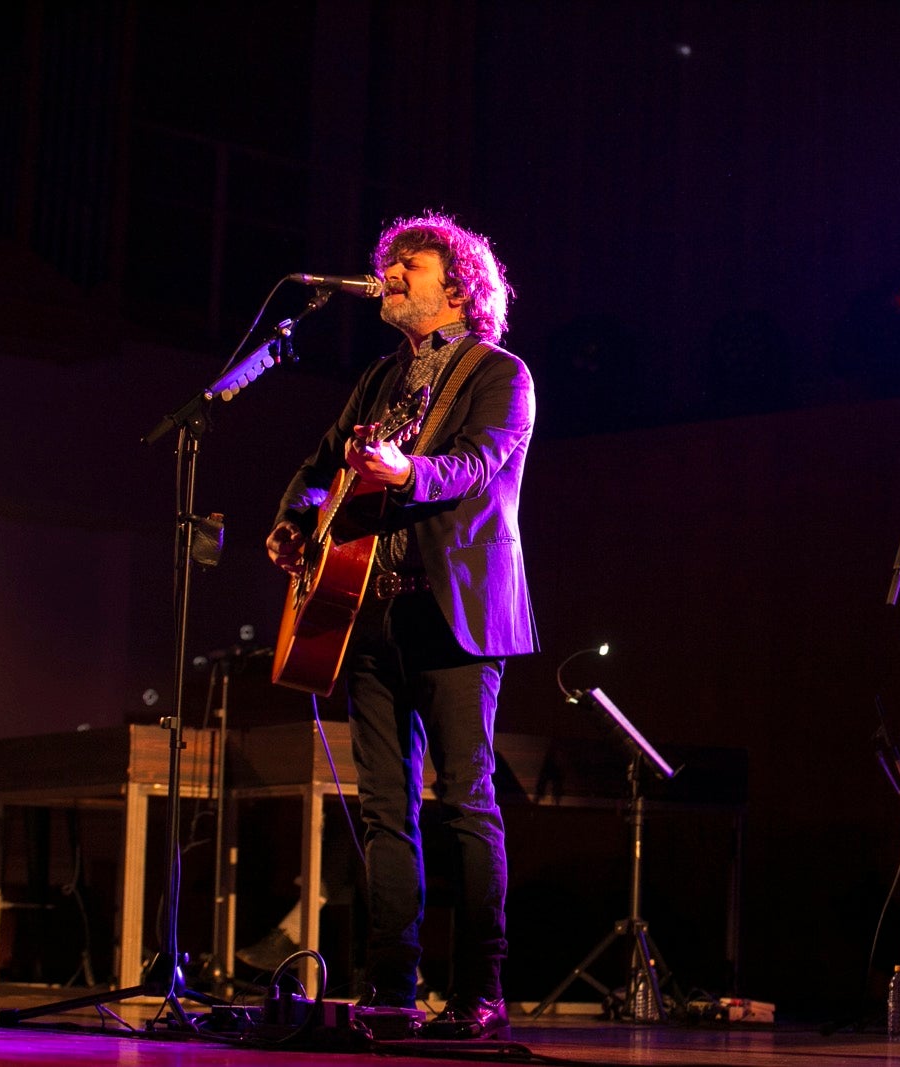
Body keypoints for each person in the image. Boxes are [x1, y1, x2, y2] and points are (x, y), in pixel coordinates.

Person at [265, 211, 537, 1040]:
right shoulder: (381, 379)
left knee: (465, 801)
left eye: (407, 264)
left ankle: (480, 991)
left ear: (457, 285)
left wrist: (403, 468)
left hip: (455, 613)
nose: (388, 274)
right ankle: (391, 986)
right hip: (369, 612)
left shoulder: (500, 373)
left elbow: (475, 466)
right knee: (386, 807)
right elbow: (319, 465)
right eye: (388, 262)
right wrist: (294, 519)